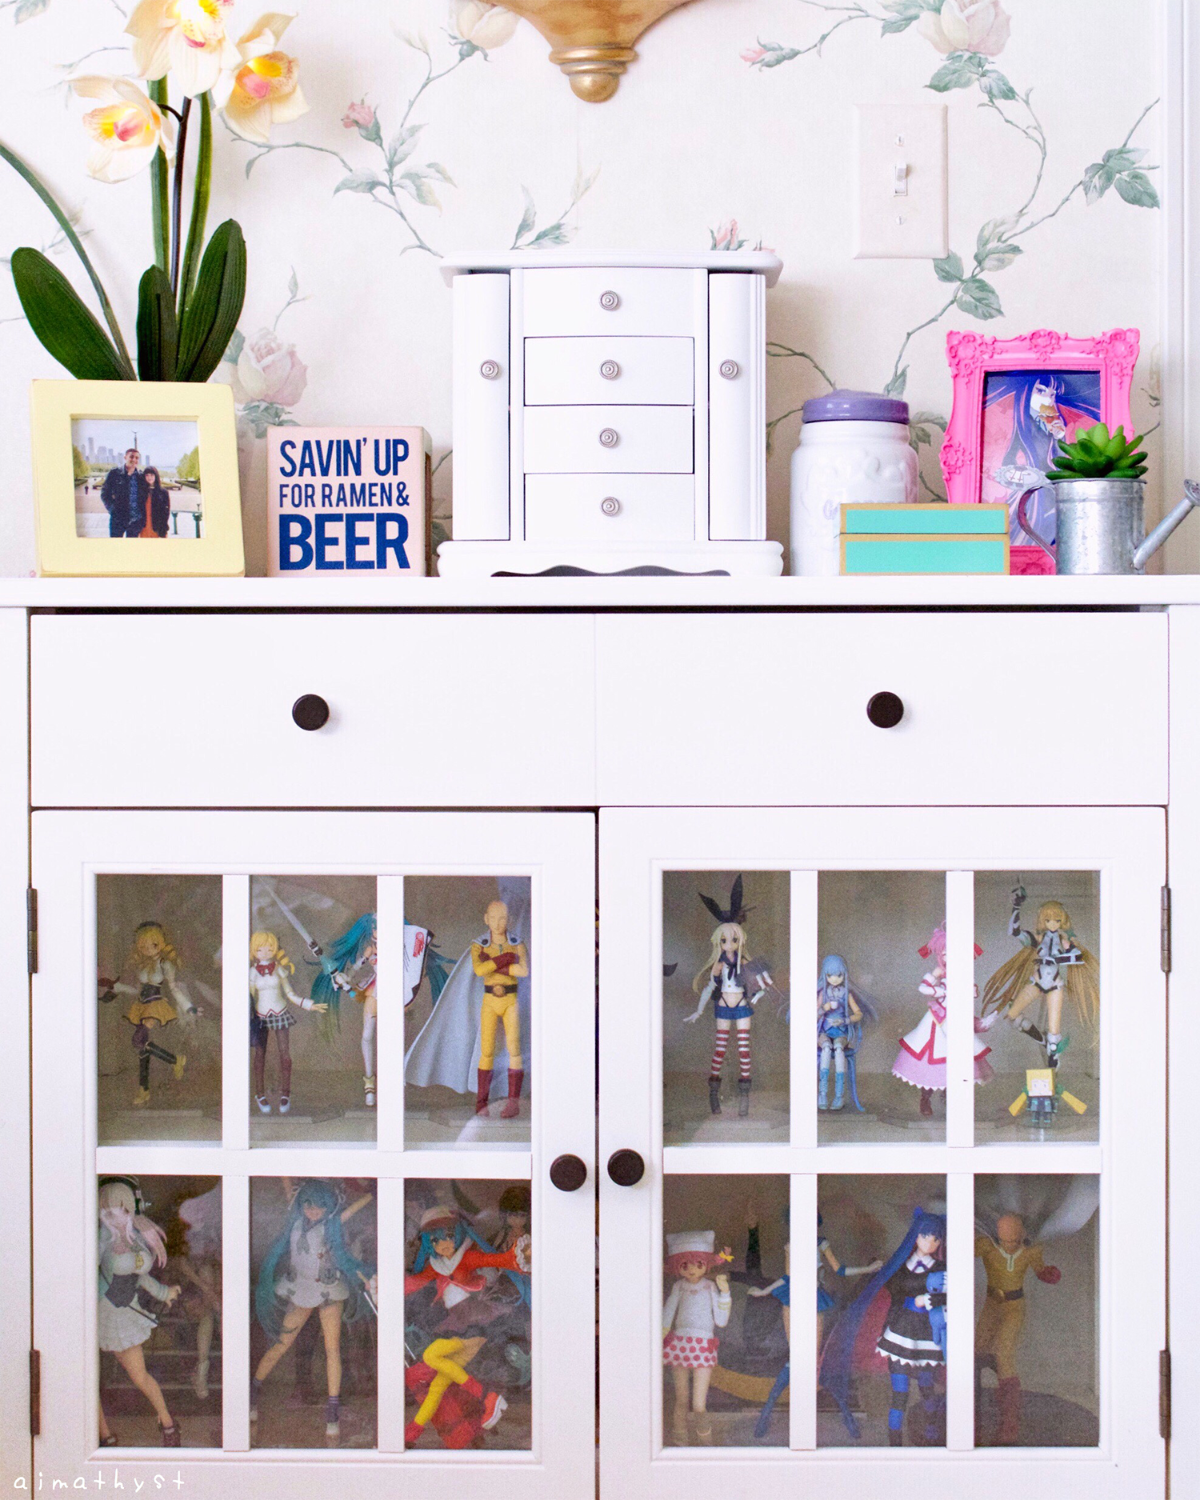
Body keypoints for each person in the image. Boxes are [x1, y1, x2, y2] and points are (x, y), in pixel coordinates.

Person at [97, 1177, 183, 1447]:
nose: (116, 1216)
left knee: (140, 1375)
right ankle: (104, 1434)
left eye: (123, 1209)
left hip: (124, 1315)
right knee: (88, 1378)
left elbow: (140, 1276)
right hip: (100, 1314)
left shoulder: (132, 1236)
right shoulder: (99, 1240)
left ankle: (167, 1422)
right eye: (109, 1210)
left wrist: (163, 1293)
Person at [975, 1214, 1061, 1444]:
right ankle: (970, 1417)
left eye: (1015, 1240)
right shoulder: (987, 1246)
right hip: (992, 1303)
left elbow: (1040, 1269)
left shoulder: (1030, 1251)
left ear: (1022, 1234)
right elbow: (962, 1252)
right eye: (1006, 1241)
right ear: (997, 1236)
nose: (1011, 1245)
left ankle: (1009, 1423)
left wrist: (1048, 1274)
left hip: (1014, 1306)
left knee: (1004, 1354)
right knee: (976, 1351)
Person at [100, 449, 149, 538]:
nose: (134, 459)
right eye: (131, 457)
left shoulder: (141, 476)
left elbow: (145, 494)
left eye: (137, 458)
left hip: (135, 520)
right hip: (118, 519)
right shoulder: (114, 473)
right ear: (125, 457)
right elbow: (104, 493)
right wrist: (112, 509)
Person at [141, 466, 171, 538]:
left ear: (156, 476)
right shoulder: (142, 492)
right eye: (147, 475)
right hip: (144, 528)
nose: (149, 477)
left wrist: (163, 527)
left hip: (158, 528)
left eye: (152, 475)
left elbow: (166, 512)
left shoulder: (163, 492)